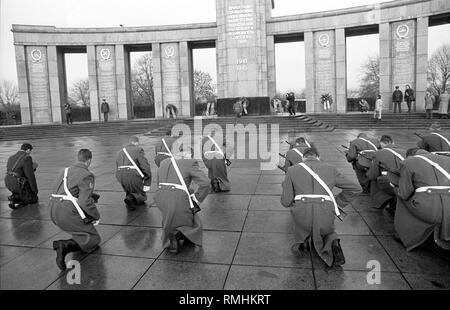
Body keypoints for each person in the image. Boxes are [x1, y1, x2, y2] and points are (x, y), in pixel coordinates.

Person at [281, 148, 361, 267]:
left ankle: (302, 242)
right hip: (325, 212)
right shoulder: (331, 169)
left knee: (300, 225)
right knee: (328, 230)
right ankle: (333, 243)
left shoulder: (292, 170)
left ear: (303, 158)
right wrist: (337, 202)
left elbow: (286, 202)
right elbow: (356, 188)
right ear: (318, 157)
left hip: (302, 214)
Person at [49, 149, 100, 271]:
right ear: (89, 161)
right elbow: (84, 201)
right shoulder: (86, 174)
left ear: (78, 158)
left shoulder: (64, 170)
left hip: (53, 209)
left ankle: (75, 237)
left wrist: (93, 195)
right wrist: (96, 215)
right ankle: (64, 246)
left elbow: (68, 190)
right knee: (93, 239)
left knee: (80, 231)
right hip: (67, 212)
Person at [155, 146, 211, 254]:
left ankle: (174, 235)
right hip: (177, 196)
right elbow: (205, 183)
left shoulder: (164, 162)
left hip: (160, 196)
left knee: (169, 218)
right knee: (191, 217)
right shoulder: (189, 162)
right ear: (187, 154)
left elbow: (159, 181)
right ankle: (179, 235)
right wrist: (197, 198)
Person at [393, 148, 450, 251]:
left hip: (428, 209)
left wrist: (395, 188)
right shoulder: (446, 159)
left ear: (411, 155)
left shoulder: (409, 162)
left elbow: (404, 194)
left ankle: (404, 236)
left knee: (401, 198)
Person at [366, 135, 406, 213]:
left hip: (394, 182)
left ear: (382, 143)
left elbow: (373, 174)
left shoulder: (379, 153)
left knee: (376, 180)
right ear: (393, 142)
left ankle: (378, 205)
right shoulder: (405, 151)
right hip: (408, 180)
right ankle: (393, 205)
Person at [115, 136, 152, 211]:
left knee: (130, 189)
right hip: (132, 174)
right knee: (142, 195)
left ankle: (130, 197)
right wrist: (147, 177)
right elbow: (145, 166)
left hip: (120, 175)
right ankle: (130, 198)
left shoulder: (120, 151)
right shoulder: (138, 150)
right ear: (136, 142)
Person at [5, 143, 38, 209]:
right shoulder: (26, 157)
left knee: (24, 193)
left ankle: (15, 197)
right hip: (18, 183)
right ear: (28, 150)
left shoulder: (11, 157)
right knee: (34, 199)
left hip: (8, 182)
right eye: (30, 151)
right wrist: (35, 189)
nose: (29, 153)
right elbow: (30, 176)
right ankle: (16, 199)